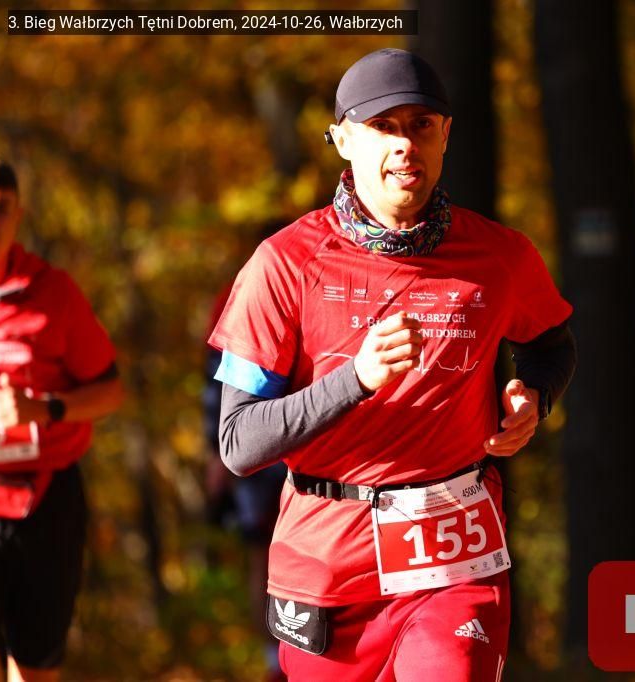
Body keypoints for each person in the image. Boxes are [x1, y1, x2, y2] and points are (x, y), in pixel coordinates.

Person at [209, 48, 576, 680]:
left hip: (453, 558)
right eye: (383, 126)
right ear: (343, 140)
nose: (405, 144)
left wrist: (534, 395)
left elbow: (551, 343)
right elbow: (240, 443)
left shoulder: (500, 255)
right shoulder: (283, 264)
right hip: (326, 562)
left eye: (420, 125)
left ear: (445, 136)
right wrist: (354, 380)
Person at [0, 153, 125, 682]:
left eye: (2, 207)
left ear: (19, 215)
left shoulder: (53, 294)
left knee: (34, 671)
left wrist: (44, 409)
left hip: (46, 502)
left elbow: (111, 392)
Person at [202, 221, 288, 682]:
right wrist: (216, 454)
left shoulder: (319, 284)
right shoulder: (234, 298)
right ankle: (274, 659)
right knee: (262, 553)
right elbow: (213, 385)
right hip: (252, 452)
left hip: (303, 443)